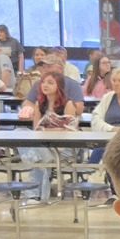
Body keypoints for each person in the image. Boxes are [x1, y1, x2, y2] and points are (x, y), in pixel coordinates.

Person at [21, 71, 77, 202]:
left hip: (64, 147)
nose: (45, 85)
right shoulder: (38, 104)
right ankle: (42, 176)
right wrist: (53, 129)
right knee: (21, 132)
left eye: (50, 82)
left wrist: (47, 130)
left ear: (59, 86)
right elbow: (37, 130)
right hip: (44, 146)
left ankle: (34, 194)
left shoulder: (68, 104)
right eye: (43, 82)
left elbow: (70, 130)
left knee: (36, 158)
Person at [18, 54, 85, 117]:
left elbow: (79, 109)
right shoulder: (38, 83)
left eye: (49, 67)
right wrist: (29, 109)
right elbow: (27, 103)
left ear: (60, 69)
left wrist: (57, 112)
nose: (45, 69)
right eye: (44, 67)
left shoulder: (72, 84)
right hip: (42, 121)